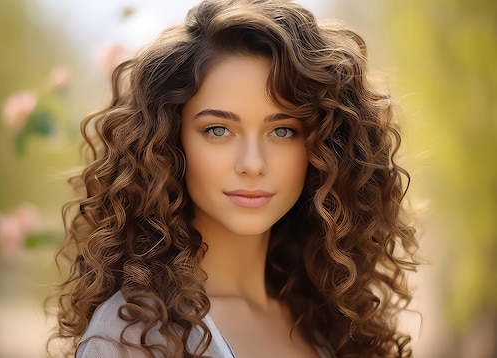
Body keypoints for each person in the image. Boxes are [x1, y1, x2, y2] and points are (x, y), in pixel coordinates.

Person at [51, 0, 419, 357]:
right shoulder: (132, 336)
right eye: (217, 130)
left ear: (325, 149)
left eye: (283, 131)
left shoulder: (330, 320)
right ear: (167, 143)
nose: (253, 163)